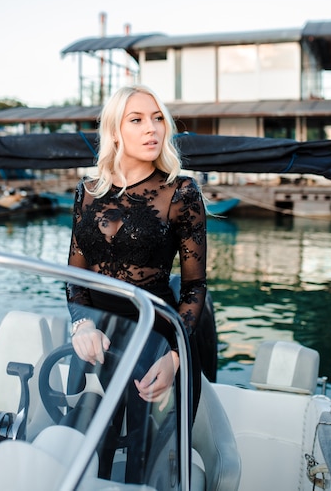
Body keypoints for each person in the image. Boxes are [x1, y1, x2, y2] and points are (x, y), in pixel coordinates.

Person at [66, 84, 207, 483]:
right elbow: (75, 278)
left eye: (158, 118)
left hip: (159, 343)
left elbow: (195, 288)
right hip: (97, 344)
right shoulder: (87, 191)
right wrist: (82, 324)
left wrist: (176, 357)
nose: (153, 129)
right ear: (114, 132)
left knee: (148, 469)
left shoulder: (182, 192)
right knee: (91, 464)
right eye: (138, 119)